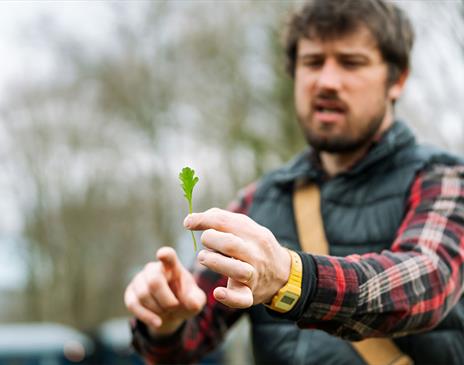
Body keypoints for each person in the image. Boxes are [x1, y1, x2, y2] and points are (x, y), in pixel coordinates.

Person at [124, 0, 464, 364]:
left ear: (396, 80)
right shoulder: (260, 201)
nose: (326, 81)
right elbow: (181, 345)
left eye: (351, 62)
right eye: (312, 62)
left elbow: (427, 283)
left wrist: (290, 278)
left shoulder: (444, 179)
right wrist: (165, 321)